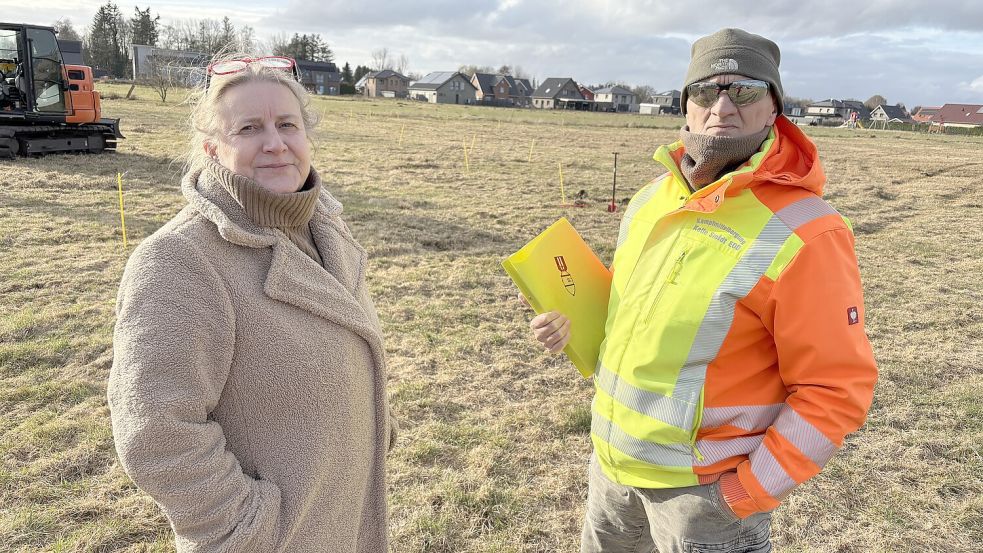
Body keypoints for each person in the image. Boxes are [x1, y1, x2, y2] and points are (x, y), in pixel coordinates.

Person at [527, 28, 877, 552]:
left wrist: (744, 493)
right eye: (706, 90)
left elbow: (835, 390)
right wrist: (572, 326)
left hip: (705, 501)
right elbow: (630, 316)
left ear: (775, 108)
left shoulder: (809, 233)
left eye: (744, 90)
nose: (722, 105)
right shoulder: (652, 200)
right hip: (612, 469)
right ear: (686, 104)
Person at [108, 55, 394, 552]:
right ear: (213, 149)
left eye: (287, 124)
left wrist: (372, 425)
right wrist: (248, 528)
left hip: (342, 516)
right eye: (249, 128)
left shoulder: (326, 228)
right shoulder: (180, 259)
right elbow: (154, 429)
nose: (275, 143)